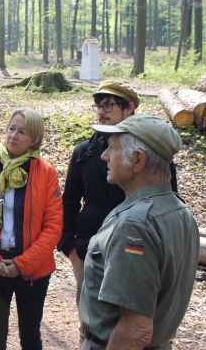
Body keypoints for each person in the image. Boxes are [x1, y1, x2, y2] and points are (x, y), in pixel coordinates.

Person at [79, 114, 199, 349]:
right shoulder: (180, 211)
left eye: (112, 148)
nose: (104, 156)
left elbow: (136, 329)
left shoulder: (136, 224)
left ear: (137, 160)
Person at [57, 80, 178, 309]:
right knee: (91, 325)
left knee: (131, 323)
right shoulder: (85, 151)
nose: (101, 112)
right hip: (87, 251)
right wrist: (71, 249)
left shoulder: (152, 154)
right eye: (98, 106)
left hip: (137, 256)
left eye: (108, 105)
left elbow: (167, 202)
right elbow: (69, 202)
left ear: (129, 108)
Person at [0, 108, 63, 350]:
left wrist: (22, 265)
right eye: (11, 129)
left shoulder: (46, 172)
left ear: (35, 139)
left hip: (33, 272)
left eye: (22, 132)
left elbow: (53, 228)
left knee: (30, 337)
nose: (13, 136)